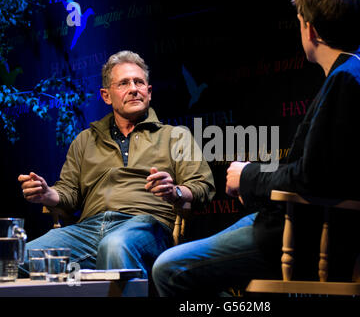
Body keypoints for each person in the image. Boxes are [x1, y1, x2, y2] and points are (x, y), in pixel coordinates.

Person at [151, 0, 360, 296]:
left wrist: (248, 178)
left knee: (168, 269)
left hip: (302, 237)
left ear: (309, 30)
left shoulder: (347, 80)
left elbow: (312, 180)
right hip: (315, 229)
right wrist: (256, 186)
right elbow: (324, 171)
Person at [18, 51, 215, 279]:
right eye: (123, 83)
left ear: (149, 93)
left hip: (145, 226)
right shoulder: (85, 140)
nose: (133, 88)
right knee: (15, 258)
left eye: (139, 82)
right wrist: (47, 193)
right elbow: (69, 194)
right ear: (106, 96)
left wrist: (175, 191)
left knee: (114, 245)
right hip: (88, 230)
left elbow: (203, 186)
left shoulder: (175, 136)